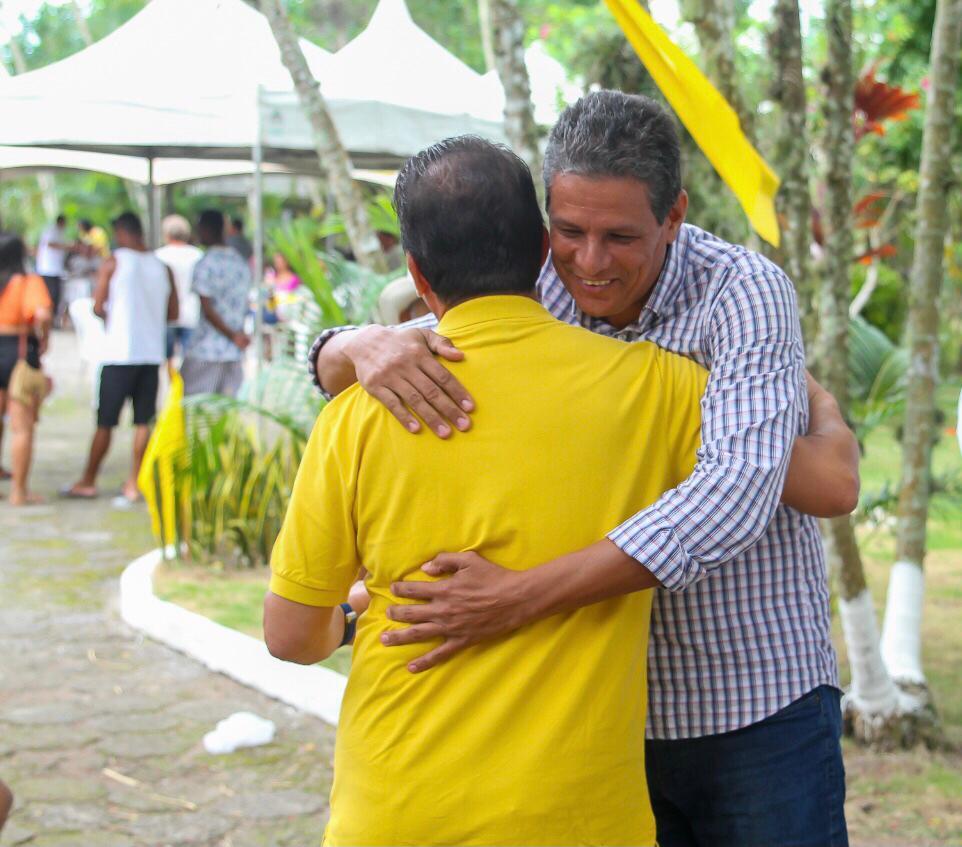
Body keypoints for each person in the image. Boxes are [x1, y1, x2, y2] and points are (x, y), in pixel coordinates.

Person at [310, 92, 858, 847]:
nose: (591, 264)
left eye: (621, 236)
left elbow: (735, 493)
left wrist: (521, 596)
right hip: (598, 726)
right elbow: (439, 338)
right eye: (569, 233)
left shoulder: (742, 292)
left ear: (674, 216)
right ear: (541, 233)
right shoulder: (536, 285)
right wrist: (348, 345)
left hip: (752, 699)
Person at [266, 135, 708, 846]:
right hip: (581, 817)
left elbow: (290, 636)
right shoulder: (657, 387)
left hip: (398, 805)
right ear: (544, 249)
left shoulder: (356, 415)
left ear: (415, 269)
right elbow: (812, 468)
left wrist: (350, 619)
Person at [63, 212, 177, 503]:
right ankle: (134, 482)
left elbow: (98, 306)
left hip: (119, 353)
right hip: (151, 355)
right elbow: (173, 312)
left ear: (121, 232)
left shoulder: (114, 262)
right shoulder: (162, 267)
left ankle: (88, 479)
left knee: (106, 421)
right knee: (143, 421)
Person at [0, 232, 52, 506]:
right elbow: (42, 314)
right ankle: (18, 492)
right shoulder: (28, 282)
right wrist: (44, 336)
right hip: (18, 351)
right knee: (21, 427)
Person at [180, 210, 250, 397]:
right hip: (233, 351)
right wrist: (237, 336)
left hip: (207, 350)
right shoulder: (239, 262)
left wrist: (232, 335)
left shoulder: (206, 262)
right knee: (224, 417)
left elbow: (208, 309)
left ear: (205, 229)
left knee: (198, 417)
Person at [155, 214, 203, 364]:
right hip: (192, 313)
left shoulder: (159, 256)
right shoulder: (198, 255)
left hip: (166, 313)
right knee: (190, 359)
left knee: (166, 359)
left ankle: (172, 384)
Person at [35, 214, 71, 320]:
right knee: (50, 293)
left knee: (56, 294)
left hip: (56, 269)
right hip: (47, 268)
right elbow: (50, 244)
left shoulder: (60, 232)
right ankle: (47, 317)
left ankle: (52, 317)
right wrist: (66, 246)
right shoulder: (52, 231)